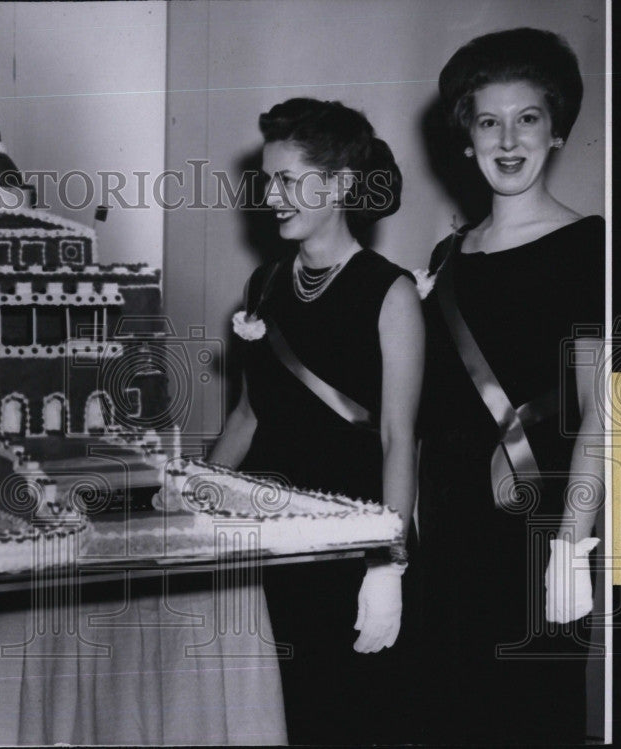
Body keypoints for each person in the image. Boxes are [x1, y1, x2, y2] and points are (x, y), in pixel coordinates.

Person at [205, 97, 424, 744]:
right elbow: (249, 413)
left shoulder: (390, 291)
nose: (272, 195)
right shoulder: (264, 285)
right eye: (268, 179)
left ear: (341, 185)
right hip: (273, 544)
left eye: (290, 180)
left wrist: (387, 564)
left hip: (350, 546)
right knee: (281, 717)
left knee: (349, 718)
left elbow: (397, 436)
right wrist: (194, 493)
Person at [416, 27, 604, 744]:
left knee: (528, 712)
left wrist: (572, 541)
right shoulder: (447, 255)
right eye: (487, 121)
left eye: (527, 117)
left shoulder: (591, 245)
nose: (507, 139)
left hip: (536, 525)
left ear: (556, 131)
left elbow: (604, 412)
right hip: (450, 520)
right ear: (465, 139)